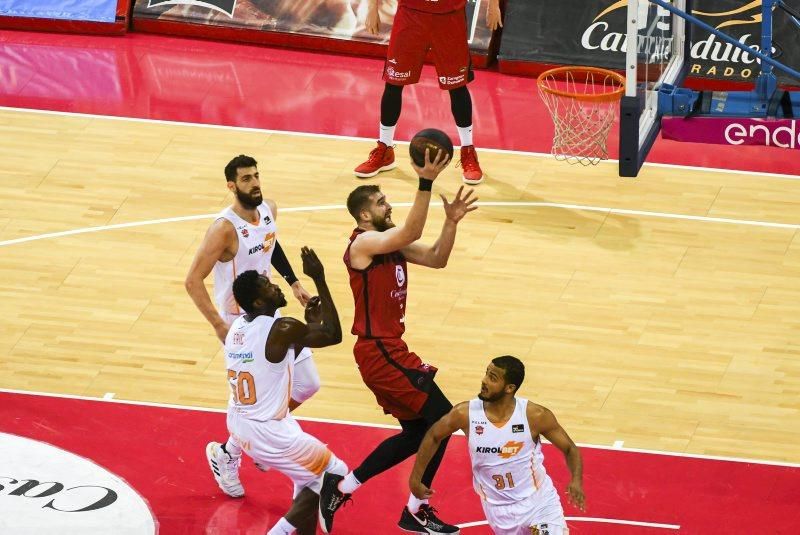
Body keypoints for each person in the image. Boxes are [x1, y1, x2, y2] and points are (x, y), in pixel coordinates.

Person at [317, 149, 477, 534]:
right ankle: (416, 509)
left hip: (391, 351)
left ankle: (341, 487)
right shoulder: (362, 245)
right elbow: (410, 232)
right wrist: (425, 181)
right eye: (381, 202)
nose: (388, 205)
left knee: (419, 433)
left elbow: (438, 257)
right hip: (379, 352)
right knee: (442, 420)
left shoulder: (390, 245)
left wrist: (451, 223)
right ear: (364, 216)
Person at [185, 154, 320, 496]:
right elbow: (192, 281)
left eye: (256, 176)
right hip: (240, 323)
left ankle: (238, 447)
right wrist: (219, 326)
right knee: (252, 400)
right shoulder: (224, 229)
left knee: (307, 384)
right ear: (231, 186)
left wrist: (293, 283)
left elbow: (269, 242)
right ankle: (235, 453)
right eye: (246, 179)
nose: (255, 183)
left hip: (270, 312)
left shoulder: (269, 209)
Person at [207, 248, 347, 535]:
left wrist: (309, 325)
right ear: (259, 301)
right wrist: (319, 278)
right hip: (266, 430)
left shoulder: (237, 329)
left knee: (305, 480)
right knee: (334, 475)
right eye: (269, 287)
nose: (276, 285)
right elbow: (333, 335)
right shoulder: (281, 328)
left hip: (240, 422)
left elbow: (282, 353)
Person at [409, 356, 586, 535]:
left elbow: (570, 448)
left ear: (510, 388)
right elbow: (433, 437)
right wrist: (415, 480)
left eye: (493, 378)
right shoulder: (465, 414)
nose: (484, 381)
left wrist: (576, 480)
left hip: (539, 502)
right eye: (486, 374)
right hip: (498, 511)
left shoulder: (535, 416)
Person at [353, 0, 503, 185]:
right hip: (411, 13)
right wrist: (371, 8)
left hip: (449, 16)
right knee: (393, 82)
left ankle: (468, 151)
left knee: (457, 85)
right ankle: (385, 150)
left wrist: (493, 5)